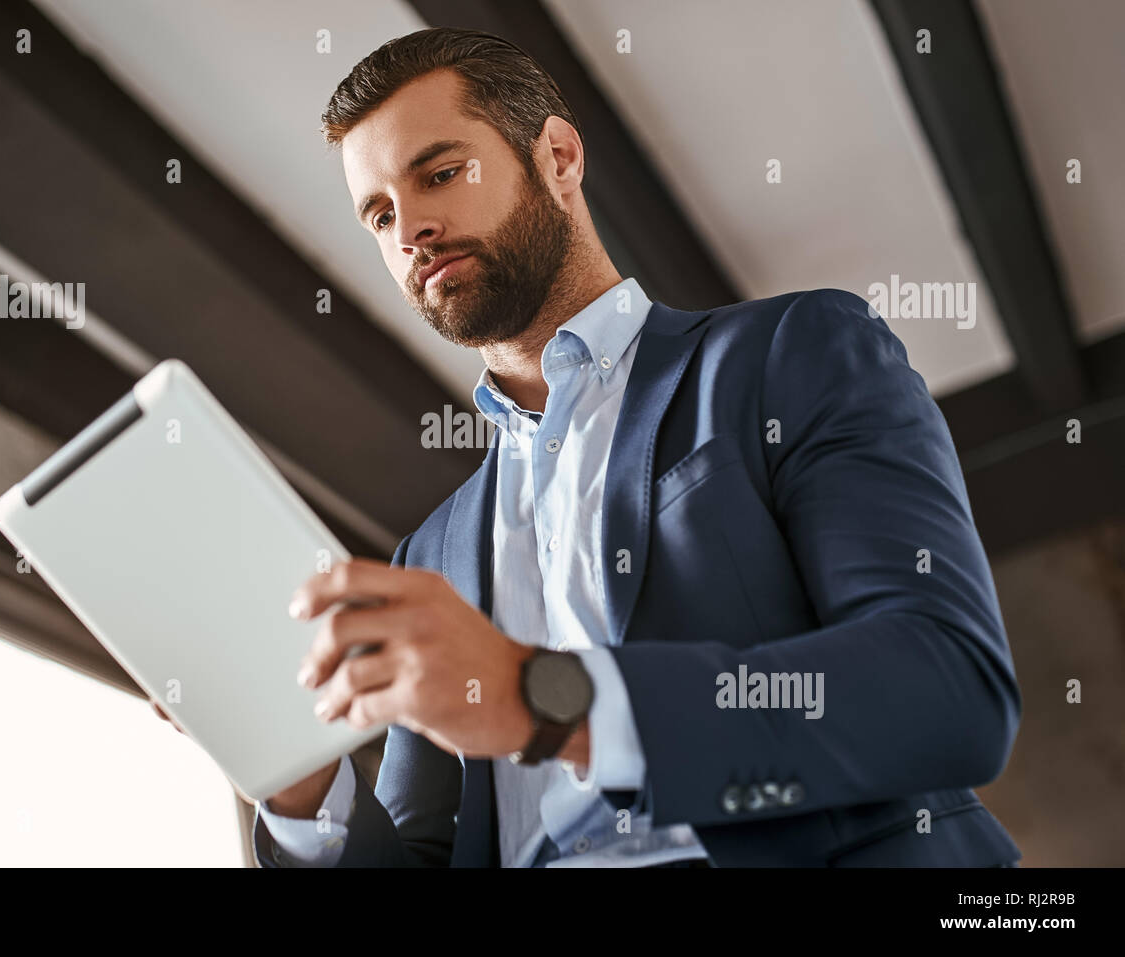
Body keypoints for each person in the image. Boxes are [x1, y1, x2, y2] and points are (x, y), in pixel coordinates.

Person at [157, 27, 1023, 868]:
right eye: (379, 214)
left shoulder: (789, 352)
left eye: (441, 174)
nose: (411, 229)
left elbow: (945, 687)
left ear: (559, 159)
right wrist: (300, 785)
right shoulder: (431, 553)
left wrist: (546, 700)